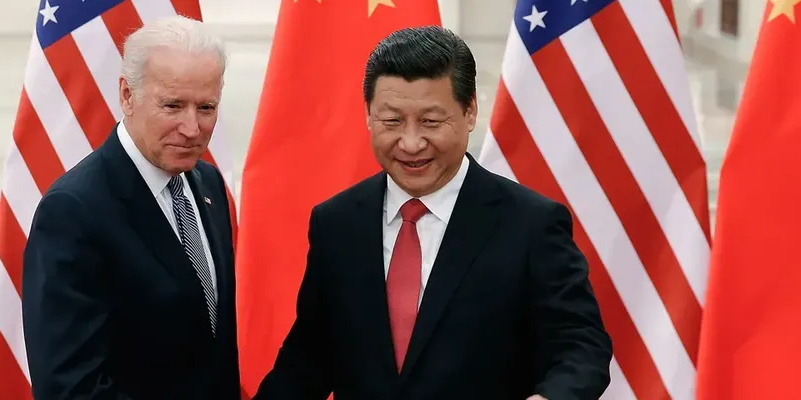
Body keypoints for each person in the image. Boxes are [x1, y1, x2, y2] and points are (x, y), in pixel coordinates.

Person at [252, 26, 613, 400]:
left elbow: (580, 346)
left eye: (430, 122)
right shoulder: (336, 223)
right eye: (391, 121)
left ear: (469, 111)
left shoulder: (530, 224)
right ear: (368, 115)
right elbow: (307, 361)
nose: (410, 143)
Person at [21, 16, 239, 400]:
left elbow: (211, 353)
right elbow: (70, 387)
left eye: (206, 107)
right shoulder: (73, 212)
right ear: (127, 95)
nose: (192, 128)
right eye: (172, 106)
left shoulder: (208, 186)